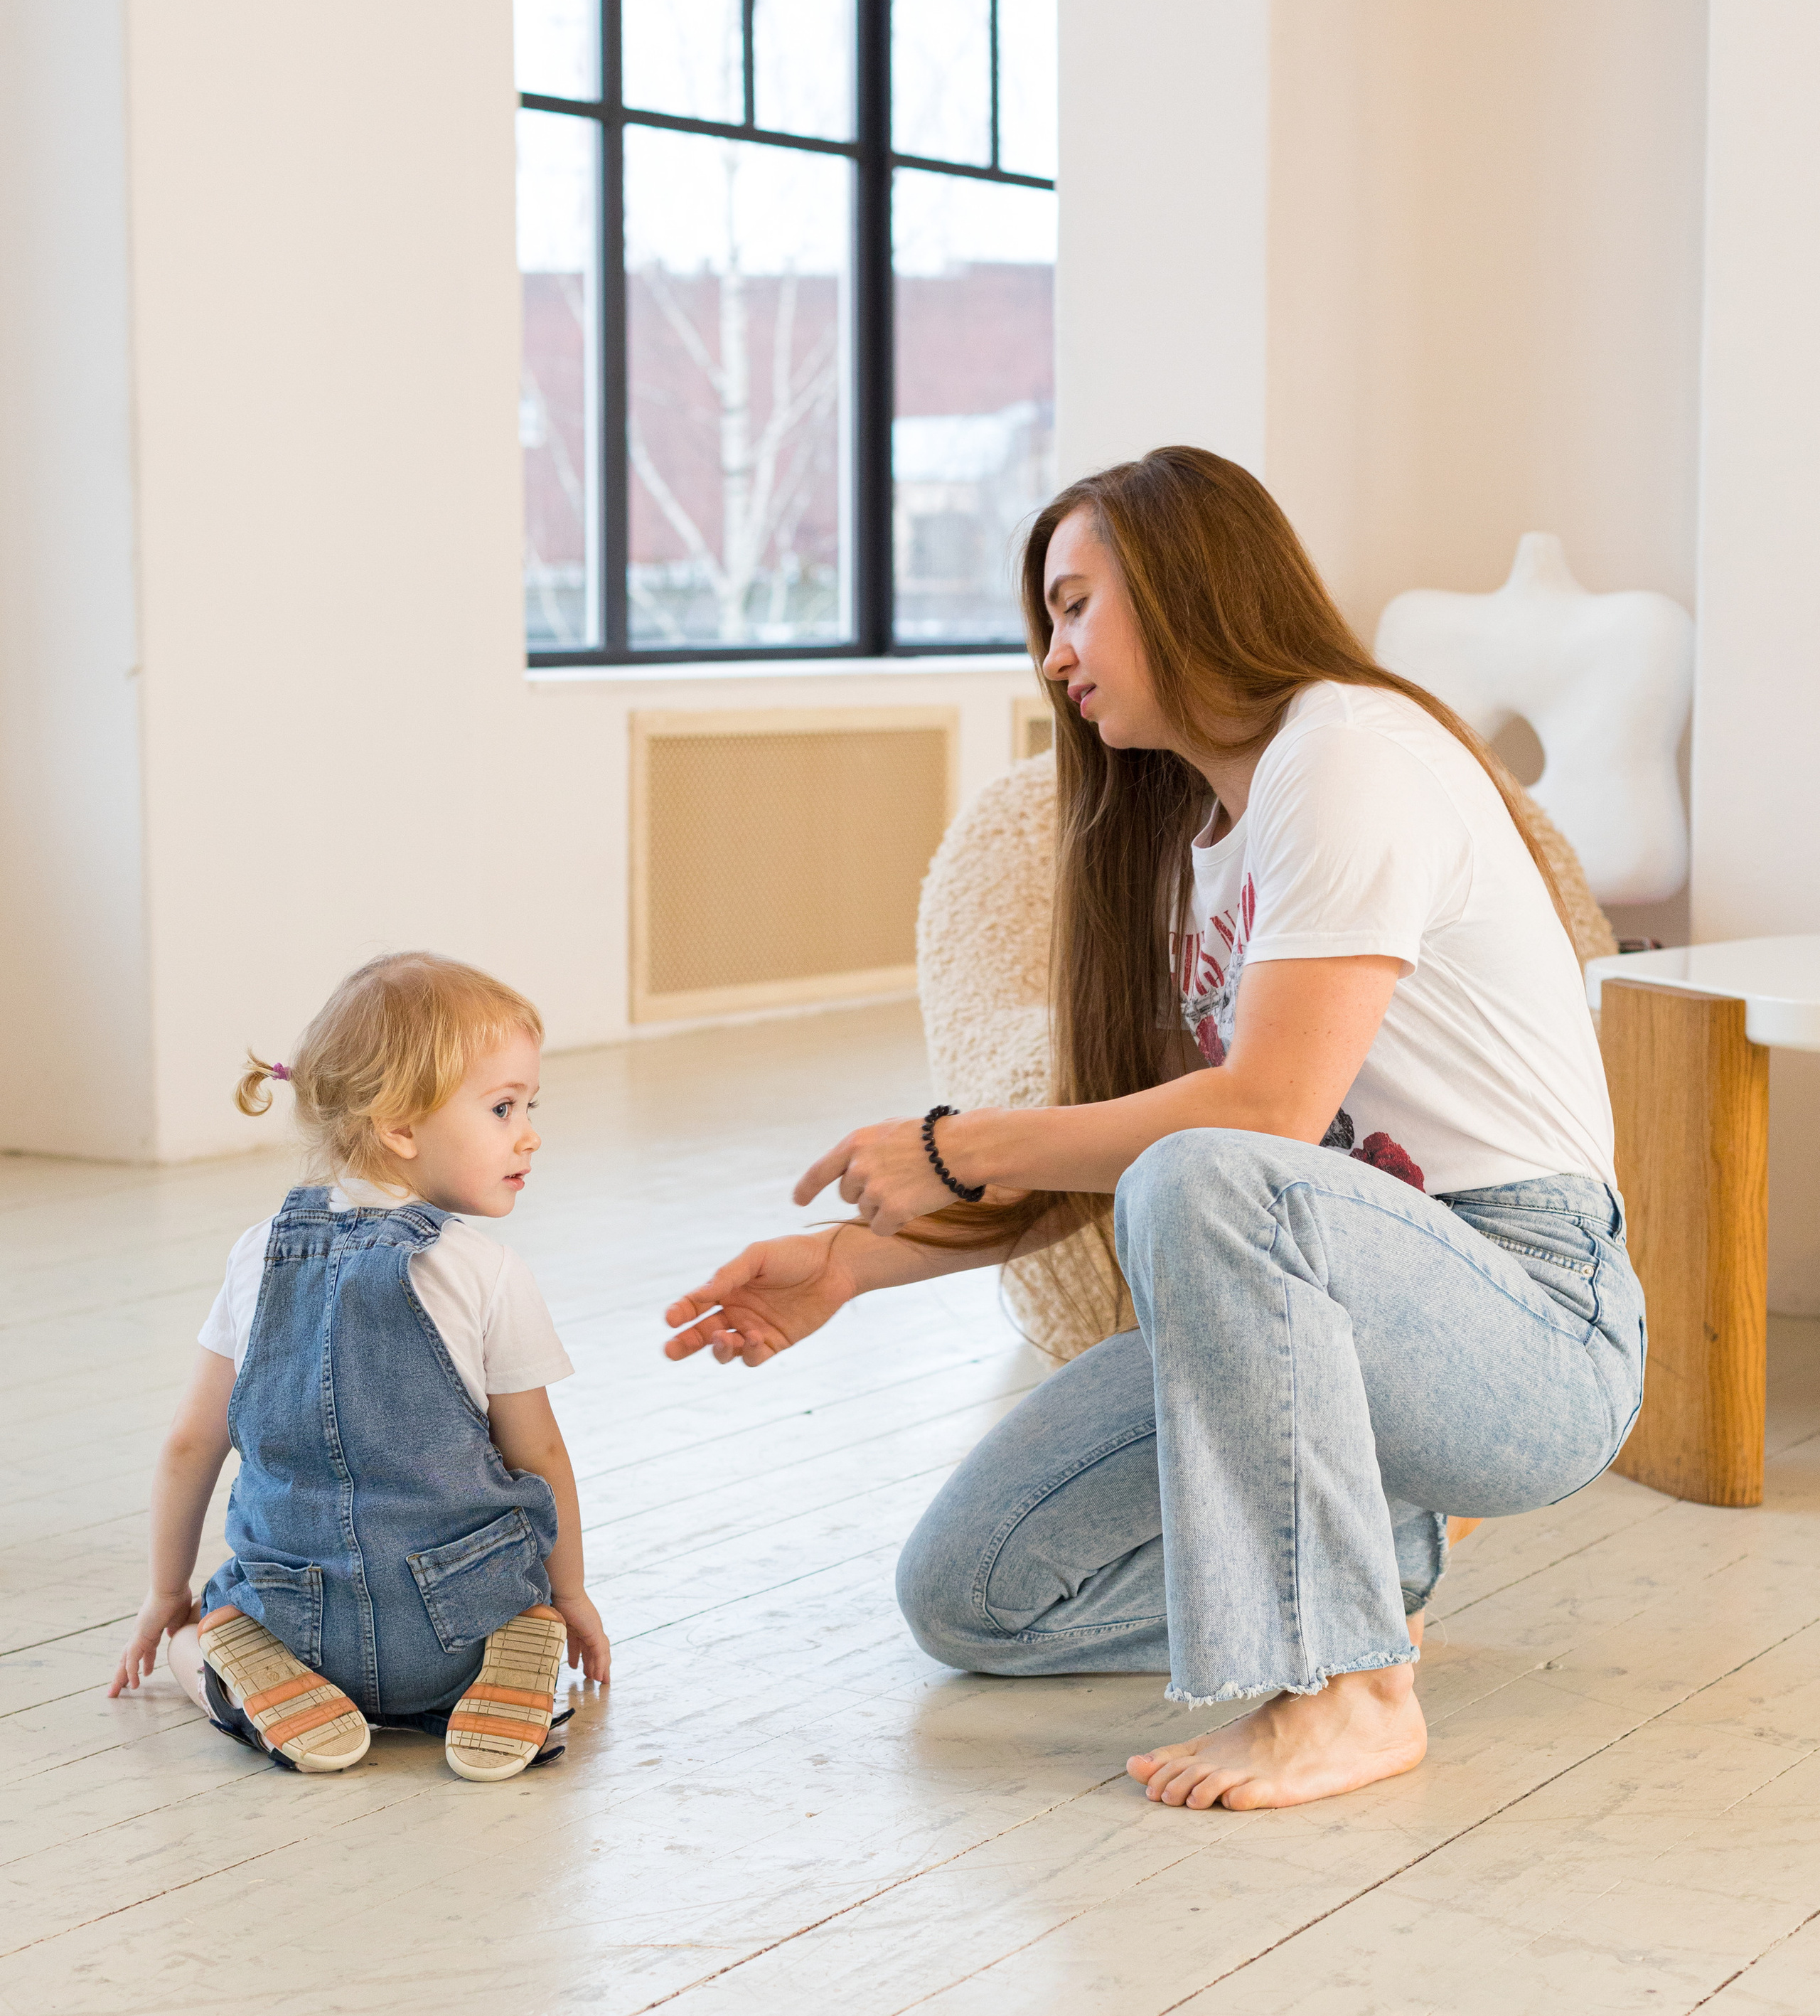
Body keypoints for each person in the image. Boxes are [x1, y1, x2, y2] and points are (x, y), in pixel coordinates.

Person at [663, 447, 1645, 1814]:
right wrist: (852, 1264)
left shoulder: (1346, 754)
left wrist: (958, 1142)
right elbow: (1149, 1153)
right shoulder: (1191, 840)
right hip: (1316, 1308)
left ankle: (1347, 1685)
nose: (1055, 655)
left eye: (1075, 606)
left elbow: (1264, 1121)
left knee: (1209, 1171)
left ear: (1187, 583)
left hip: (1531, 1322)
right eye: (1045, 622)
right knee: (974, 1597)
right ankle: (1366, 1561)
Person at [109, 952, 610, 1781]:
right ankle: (505, 1679)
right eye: (502, 1107)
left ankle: (259, 1683)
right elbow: (541, 1458)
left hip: (299, 1621)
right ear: (401, 1126)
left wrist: (167, 1594)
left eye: (526, 1105)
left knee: (192, 1644)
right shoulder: (485, 1272)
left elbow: (190, 1446)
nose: (530, 1132)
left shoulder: (256, 1255)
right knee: (506, 1615)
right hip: (460, 1617)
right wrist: (570, 1596)